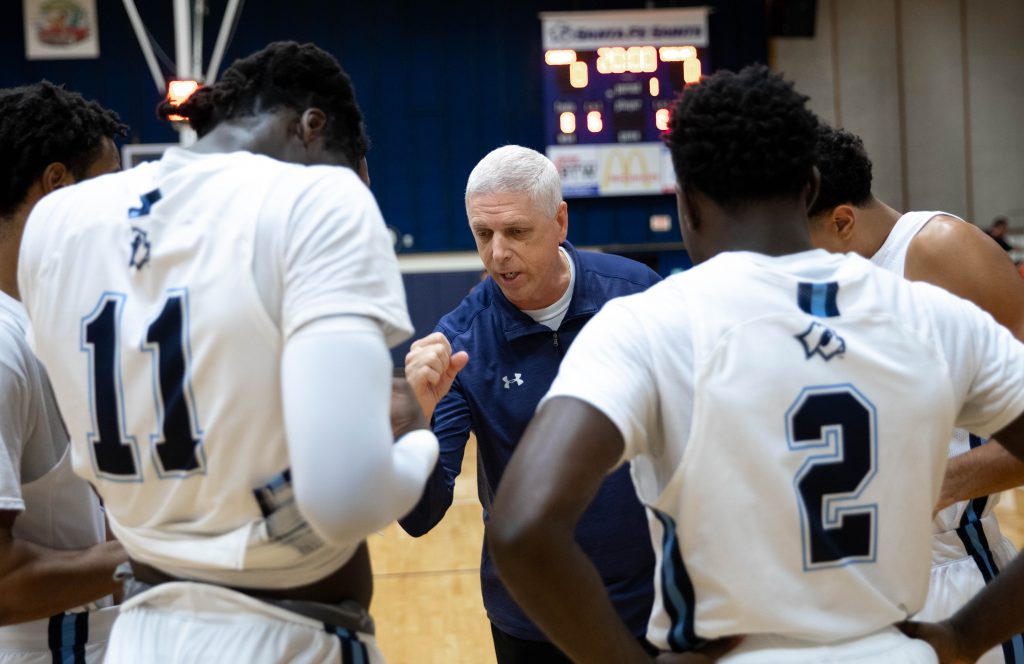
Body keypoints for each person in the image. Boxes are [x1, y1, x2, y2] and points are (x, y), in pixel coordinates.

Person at [488, 63, 1024, 664]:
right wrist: (967, 635)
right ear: (810, 187)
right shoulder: (930, 316)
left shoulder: (646, 325)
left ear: (686, 202)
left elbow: (520, 528)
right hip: (895, 646)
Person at [17, 42, 438, 664]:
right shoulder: (318, 200)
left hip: (138, 634)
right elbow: (347, 500)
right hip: (287, 635)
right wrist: (416, 445)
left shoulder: (58, 221)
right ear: (312, 126)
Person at [401, 144, 660, 663]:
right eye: (483, 235)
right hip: (532, 623)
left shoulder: (636, 299)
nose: (498, 253)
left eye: (516, 232)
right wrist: (416, 422)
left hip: (650, 608)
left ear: (559, 221)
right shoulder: (459, 344)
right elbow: (421, 517)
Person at [807, 124, 1024, 664]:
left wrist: (931, 484)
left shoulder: (942, 251)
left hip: (953, 583)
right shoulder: (814, 284)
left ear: (841, 220)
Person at [0, 81, 127, 664]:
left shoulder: (45, 322)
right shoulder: (3, 345)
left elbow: (72, 520)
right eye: (109, 190)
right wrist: (173, 553)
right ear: (56, 184)